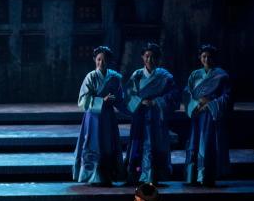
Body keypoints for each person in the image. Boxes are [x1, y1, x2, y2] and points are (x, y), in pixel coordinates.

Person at [121, 43, 180, 185]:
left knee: (156, 143)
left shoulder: (165, 77)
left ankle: (154, 174)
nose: (149, 60)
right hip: (140, 115)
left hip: (157, 117)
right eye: (147, 56)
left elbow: (174, 96)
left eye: (153, 57)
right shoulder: (137, 75)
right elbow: (128, 94)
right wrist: (140, 101)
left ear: (158, 59)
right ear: (142, 57)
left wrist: (156, 102)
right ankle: (137, 174)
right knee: (139, 143)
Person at [72, 46, 124, 186]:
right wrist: (102, 100)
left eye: (104, 60)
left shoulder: (115, 78)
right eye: (99, 59)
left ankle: (107, 175)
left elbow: (120, 98)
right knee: (93, 142)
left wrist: (131, 108)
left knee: (107, 143)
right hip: (93, 117)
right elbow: (82, 99)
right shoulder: (91, 77)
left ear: (109, 61)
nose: (101, 63)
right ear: (95, 60)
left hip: (108, 117)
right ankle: (91, 175)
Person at [184, 44, 231, 187]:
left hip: (211, 116)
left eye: (209, 57)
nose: (206, 59)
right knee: (195, 143)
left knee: (208, 144)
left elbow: (227, 97)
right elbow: (187, 93)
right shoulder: (195, 75)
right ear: (200, 58)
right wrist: (196, 104)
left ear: (214, 58)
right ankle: (193, 176)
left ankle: (207, 177)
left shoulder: (222, 76)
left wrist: (210, 103)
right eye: (204, 56)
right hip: (197, 114)